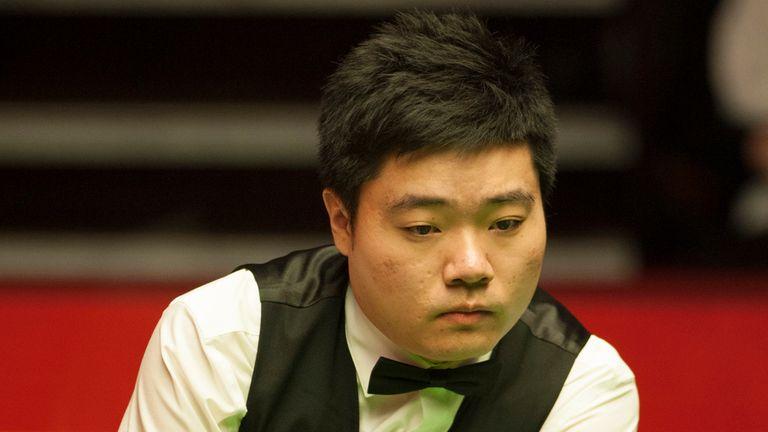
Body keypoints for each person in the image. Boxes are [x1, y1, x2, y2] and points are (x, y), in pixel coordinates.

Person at [120, 10, 638, 431]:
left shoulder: (582, 386)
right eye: (424, 228)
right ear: (342, 222)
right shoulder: (222, 339)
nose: (470, 267)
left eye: (504, 223)